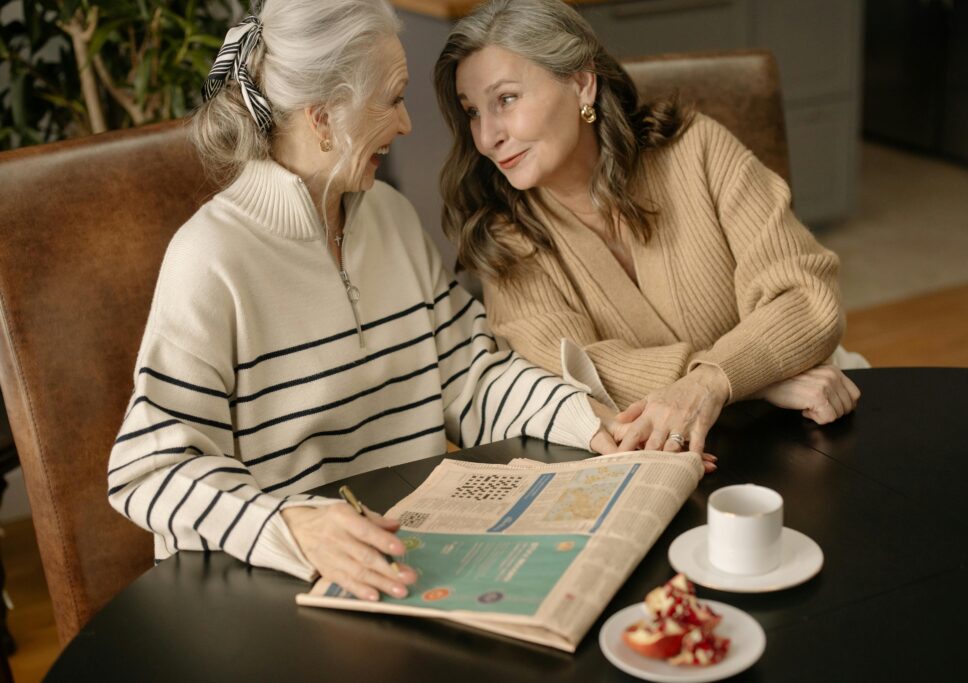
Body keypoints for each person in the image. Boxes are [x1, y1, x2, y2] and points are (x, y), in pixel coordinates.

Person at [107, 0, 648, 604]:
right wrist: (291, 527)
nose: (407, 124)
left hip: (411, 566)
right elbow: (149, 469)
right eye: (391, 99)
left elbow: (470, 376)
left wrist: (589, 421)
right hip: (276, 587)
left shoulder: (388, 217)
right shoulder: (209, 259)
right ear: (322, 119)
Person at [433, 0, 862, 457]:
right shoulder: (503, 234)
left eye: (506, 99)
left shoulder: (698, 150)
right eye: (473, 111)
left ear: (581, 83)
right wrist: (749, 381)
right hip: (676, 452)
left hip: (805, 421)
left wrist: (716, 379)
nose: (486, 136)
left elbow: (806, 299)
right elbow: (581, 374)